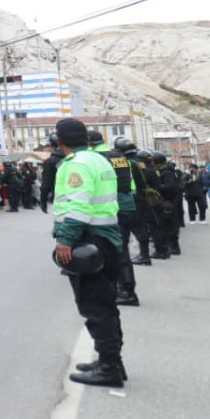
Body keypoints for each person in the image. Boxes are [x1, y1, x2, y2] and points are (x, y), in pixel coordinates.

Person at [52, 118, 126, 388]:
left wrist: (65, 239)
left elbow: (79, 205)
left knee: (95, 307)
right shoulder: (98, 159)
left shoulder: (77, 164)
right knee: (105, 304)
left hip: (89, 239)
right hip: (107, 237)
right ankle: (112, 361)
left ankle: (109, 369)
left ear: (60, 140)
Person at [89, 131, 139, 307]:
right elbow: (130, 182)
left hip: (112, 207)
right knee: (121, 248)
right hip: (127, 204)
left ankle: (126, 292)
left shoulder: (97, 157)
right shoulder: (119, 155)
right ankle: (123, 289)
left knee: (116, 250)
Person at [116, 138, 154, 268]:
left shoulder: (126, 163)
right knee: (141, 228)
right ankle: (144, 255)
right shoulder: (139, 162)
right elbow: (142, 183)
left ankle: (140, 256)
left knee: (126, 231)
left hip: (129, 199)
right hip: (140, 198)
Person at [40, 133, 64, 215]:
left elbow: (46, 184)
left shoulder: (50, 161)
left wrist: (43, 201)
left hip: (60, 198)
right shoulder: (76, 158)